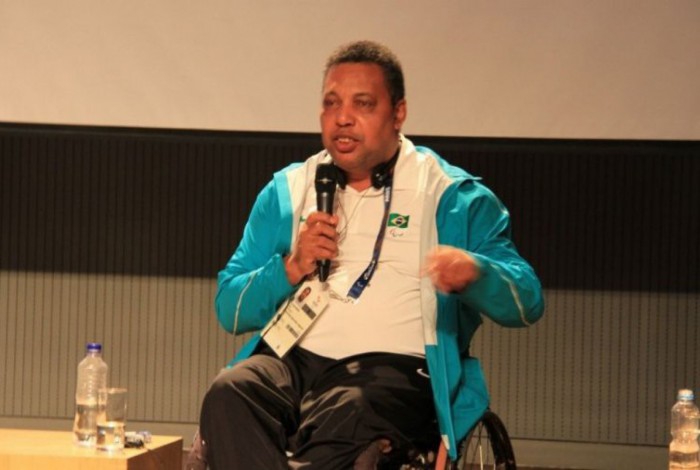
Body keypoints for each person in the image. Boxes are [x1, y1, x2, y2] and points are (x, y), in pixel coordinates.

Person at [196, 40, 544, 469]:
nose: (342, 118)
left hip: (394, 373)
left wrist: (477, 273)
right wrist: (290, 267)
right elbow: (229, 309)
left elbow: (527, 302)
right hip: (295, 361)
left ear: (398, 113)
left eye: (362, 104)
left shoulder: (450, 195)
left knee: (349, 408)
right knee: (230, 391)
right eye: (331, 103)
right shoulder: (289, 191)